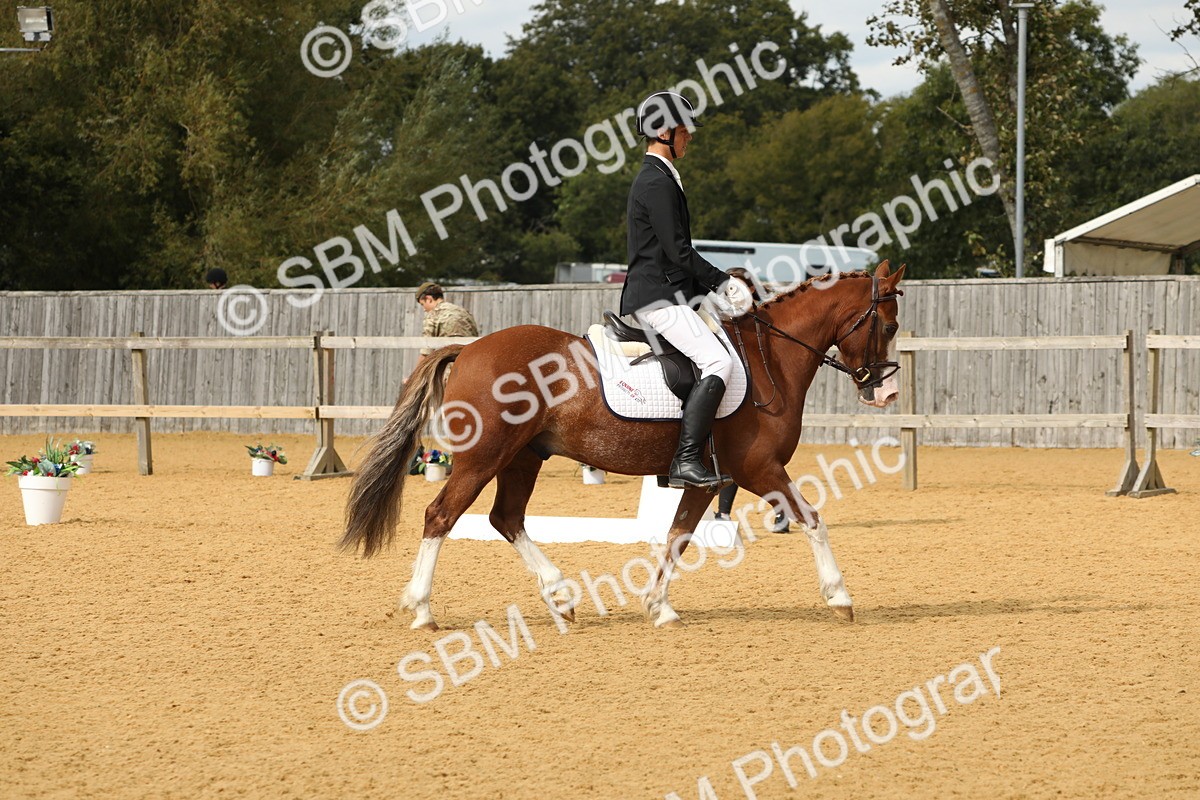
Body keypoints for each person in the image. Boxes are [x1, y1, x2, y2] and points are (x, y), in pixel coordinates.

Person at [621, 90, 752, 490]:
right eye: (684, 131)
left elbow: (670, 253)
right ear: (664, 131)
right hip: (656, 297)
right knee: (719, 363)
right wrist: (722, 282)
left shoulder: (661, 177)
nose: (689, 138)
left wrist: (706, 295)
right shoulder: (655, 181)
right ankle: (686, 459)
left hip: (668, 292)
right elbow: (677, 251)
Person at [415, 281, 480, 356]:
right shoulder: (464, 313)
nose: (424, 309)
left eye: (423, 304)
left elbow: (426, 352)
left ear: (429, 299)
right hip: (470, 358)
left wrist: (418, 367)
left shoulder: (433, 315)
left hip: (448, 361)